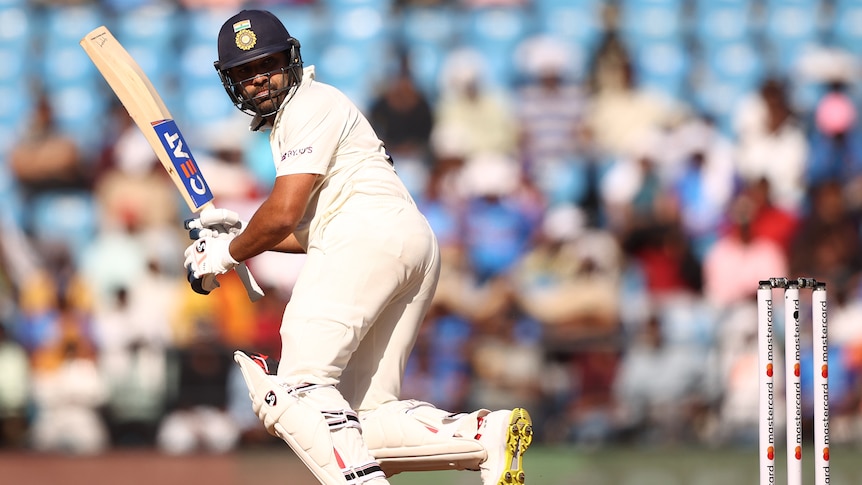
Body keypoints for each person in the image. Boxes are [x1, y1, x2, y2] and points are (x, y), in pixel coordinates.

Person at [182, 9, 532, 485]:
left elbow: (284, 213)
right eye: (245, 73)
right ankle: (483, 435)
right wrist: (238, 237)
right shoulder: (311, 114)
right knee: (362, 416)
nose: (258, 80)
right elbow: (308, 230)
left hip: (366, 239)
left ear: (290, 58)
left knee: (298, 391)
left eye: (266, 65)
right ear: (231, 83)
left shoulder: (307, 105)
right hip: (405, 241)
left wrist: (228, 253)